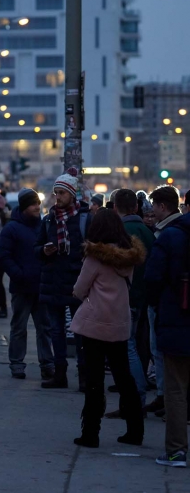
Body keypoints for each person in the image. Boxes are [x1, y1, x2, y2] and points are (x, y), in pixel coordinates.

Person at [70, 209, 146, 448]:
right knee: (124, 377)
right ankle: (135, 430)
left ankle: (90, 433)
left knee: (94, 379)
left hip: (95, 325)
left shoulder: (95, 257)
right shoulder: (129, 257)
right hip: (120, 322)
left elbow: (79, 289)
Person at [145, 186, 190, 467]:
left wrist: (158, 306)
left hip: (178, 320)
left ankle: (176, 450)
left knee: (176, 390)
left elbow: (151, 280)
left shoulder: (172, 236)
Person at [102, 189, 156, 419]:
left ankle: (135, 402)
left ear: (115, 208)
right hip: (145, 298)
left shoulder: (121, 231)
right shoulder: (147, 230)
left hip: (126, 298)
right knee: (140, 347)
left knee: (129, 348)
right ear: (136, 207)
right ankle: (135, 401)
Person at [36, 168, 91, 390]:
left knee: (80, 331)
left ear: (72, 194)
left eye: (62, 193)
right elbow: (36, 247)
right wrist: (44, 251)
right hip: (54, 282)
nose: (57, 197)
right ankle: (60, 375)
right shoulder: (49, 220)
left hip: (78, 283)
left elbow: (94, 250)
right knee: (56, 331)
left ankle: (84, 376)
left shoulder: (84, 219)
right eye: (55, 193)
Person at [0, 188, 54, 379]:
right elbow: (4, 256)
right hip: (22, 288)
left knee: (45, 328)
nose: (37, 207)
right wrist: (18, 274)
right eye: (33, 204)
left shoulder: (45, 225)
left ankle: (47, 364)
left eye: (38, 203)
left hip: (41, 286)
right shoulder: (11, 229)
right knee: (19, 328)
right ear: (23, 207)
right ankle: (17, 364)